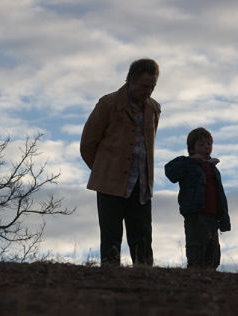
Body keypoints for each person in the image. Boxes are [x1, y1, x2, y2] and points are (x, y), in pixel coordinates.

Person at [80, 58, 160, 267]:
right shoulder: (108, 103)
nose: (148, 91)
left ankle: (146, 286)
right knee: (111, 238)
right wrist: (104, 170)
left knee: (142, 239)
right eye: (144, 86)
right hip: (109, 183)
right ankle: (109, 283)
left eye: (152, 87)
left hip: (141, 185)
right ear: (130, 81)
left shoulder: (154, 108)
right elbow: (88, 143)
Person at [165, 127, 231, 269]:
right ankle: (193, 281)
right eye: (201, 144)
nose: (206, 147)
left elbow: (220, 195)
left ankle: (209, 283)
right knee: (196, 253)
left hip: (213, 217)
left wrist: (224, 218)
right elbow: (170, 172)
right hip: (195, 215)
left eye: (209, 144)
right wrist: (190, 161)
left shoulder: (213, 168)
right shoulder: (187, 163)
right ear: (192, 148)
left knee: (213, 255)